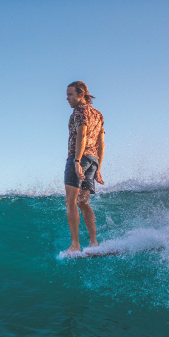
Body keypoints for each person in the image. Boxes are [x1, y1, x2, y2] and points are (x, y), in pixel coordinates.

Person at [64, 81, 105, 253]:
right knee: (83, 202)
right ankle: (93, 242)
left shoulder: (80, 110)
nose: (67, 98)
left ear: (81, 95)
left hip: (79, 158)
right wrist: (99, 167)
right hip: (93, 160)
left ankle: (75, 245)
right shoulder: (98, 114)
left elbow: (82, 135)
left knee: (70, 201)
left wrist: (77, 161)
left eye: (71, 94)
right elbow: (101, 143)